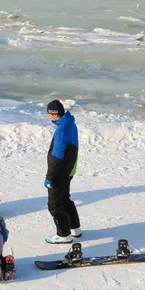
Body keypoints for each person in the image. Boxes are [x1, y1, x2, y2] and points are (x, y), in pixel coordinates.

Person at [44, 99, 82, 244]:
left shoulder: (61, 130)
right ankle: (75, 228)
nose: (48, 116)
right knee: (65, 199)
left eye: (48, 113)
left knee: (54, 204)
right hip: (69, 169)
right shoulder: (71, 125)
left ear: (54, 114)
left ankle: (64, 234)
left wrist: (49, 177)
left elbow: (57, 156)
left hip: (60, 173)